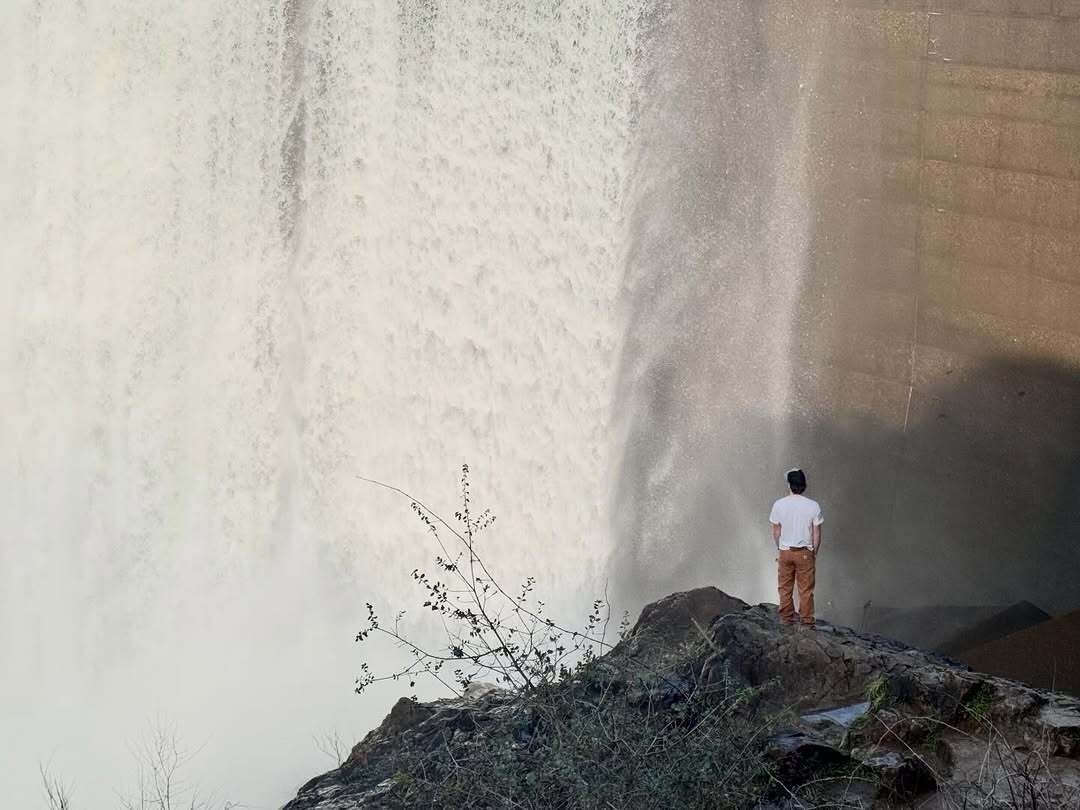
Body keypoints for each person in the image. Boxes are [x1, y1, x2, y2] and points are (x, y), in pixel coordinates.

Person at [769, 468, 824, 627]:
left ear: (789, 485)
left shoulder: (779, 504)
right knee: (805, 590)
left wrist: (780, 547)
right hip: (805, 552)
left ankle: (786, 620)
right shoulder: (813, 506)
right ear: (804, 485)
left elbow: (776, 530)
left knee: (785, 588)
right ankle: (806, 622)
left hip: (785, 551)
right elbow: (816, 533)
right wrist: (814, 552)